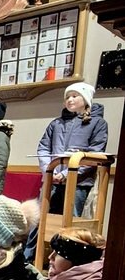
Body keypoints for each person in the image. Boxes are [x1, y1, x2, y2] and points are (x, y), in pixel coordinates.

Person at [36, 82, 108, 215]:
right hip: (53, 180)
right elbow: (43, 148)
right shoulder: (56, 123)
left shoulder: (98, 123)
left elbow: (95, 154)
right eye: (67, 97)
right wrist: (49, 170)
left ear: (86, 99)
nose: (70, 100)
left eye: (75, 96)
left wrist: (65, 174)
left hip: (78, 183)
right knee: (44, 218)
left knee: (71, 218)